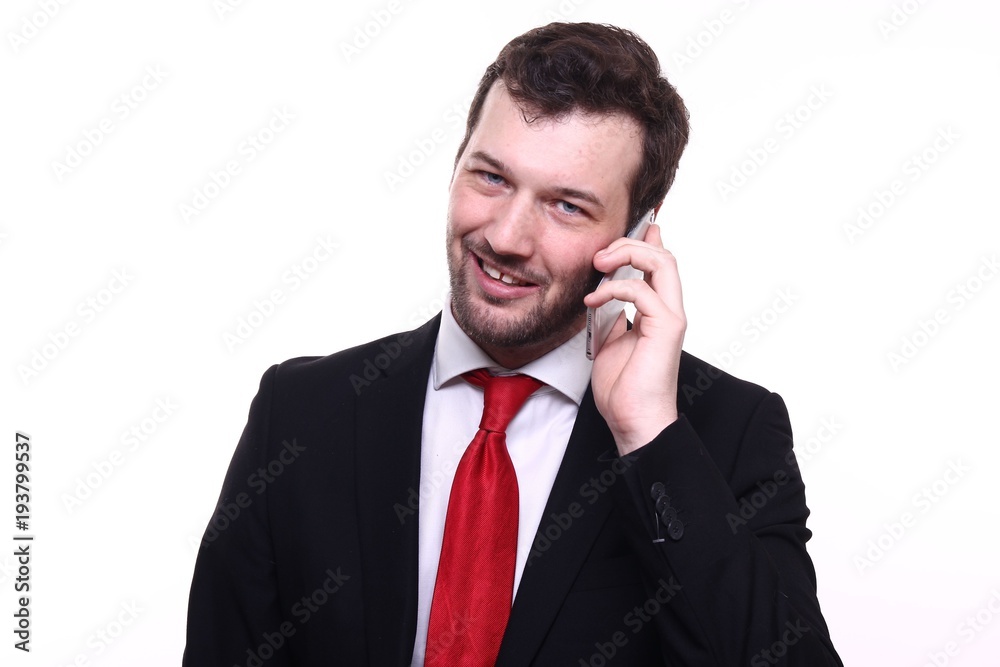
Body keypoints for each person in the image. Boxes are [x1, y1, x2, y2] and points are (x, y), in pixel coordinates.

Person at [184, 22, 843, 666]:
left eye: (567, 206)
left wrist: (647, 436)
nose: (504, 237)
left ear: (638, 232)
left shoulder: (727, 434)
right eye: (492, 177)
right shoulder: (300, 412)